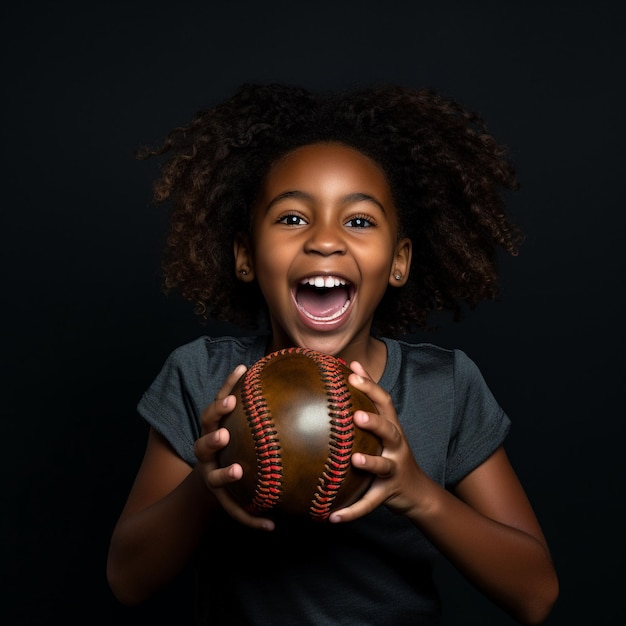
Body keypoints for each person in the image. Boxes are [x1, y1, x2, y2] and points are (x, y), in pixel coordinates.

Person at [106, 83, 559, 625]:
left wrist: (418, 493)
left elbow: (537, 595)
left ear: (399, 261)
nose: (325, 240)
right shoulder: (203, 377)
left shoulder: (446, 386)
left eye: (359, 220)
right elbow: (127, 580)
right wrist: (206, 487)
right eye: (293, 218)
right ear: (246, 256)